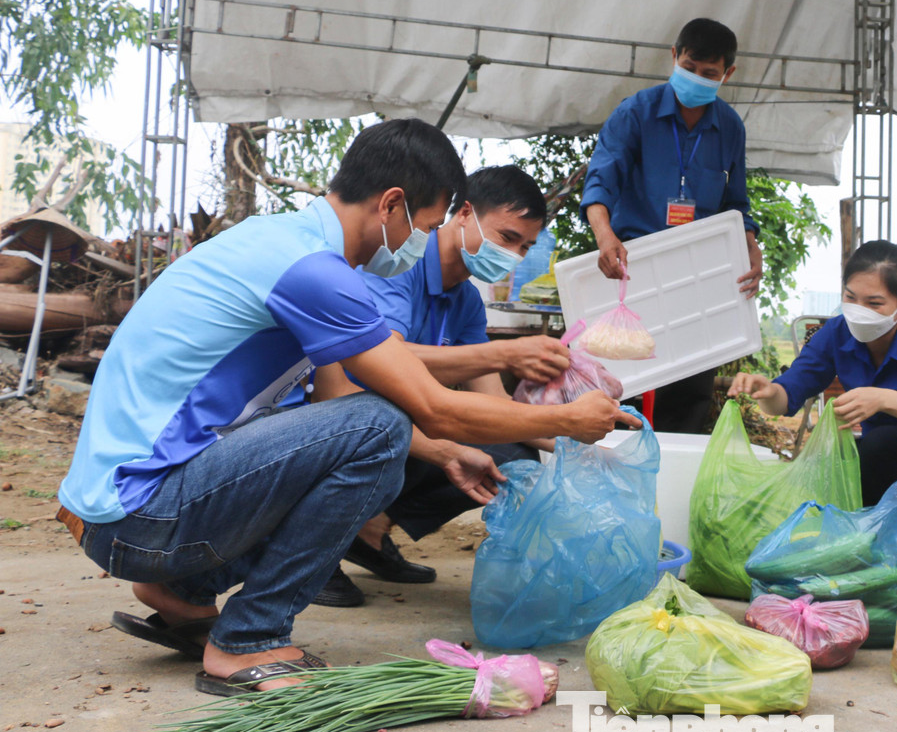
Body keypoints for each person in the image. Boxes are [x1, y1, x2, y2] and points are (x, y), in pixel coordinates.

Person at [56, 120, 635, 696]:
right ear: (391, 205)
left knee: (377, 440)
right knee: (381, 428)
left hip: (127, 505)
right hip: (139, 515)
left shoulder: (285, 241)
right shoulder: (312, 270)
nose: (421, 242)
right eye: (426, 226)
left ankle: (184, 590)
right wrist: (566, 419)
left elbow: (353, 398)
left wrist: (453, 451)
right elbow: (432, 408)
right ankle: (248, 639)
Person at [308, 164, 569, 606]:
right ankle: (313, 553)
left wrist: (574, 433)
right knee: (392, 417)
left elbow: (495, 400)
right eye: (507, 238)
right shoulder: (397, 266)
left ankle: (369, 531)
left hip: (404, 422)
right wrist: (503, 354)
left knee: (510, 453)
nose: (514, 256)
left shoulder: (466, 301)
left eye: (525, 247)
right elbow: (380, 359)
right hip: (345, 418)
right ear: (463, 213)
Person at [727, 240, 897, 586]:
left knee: (882, 441)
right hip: (881, 464)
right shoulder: (836, 334)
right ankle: (878, 548)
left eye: (874, 303)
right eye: (850, 297)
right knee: (850, 456)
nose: (859, 311)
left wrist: (885, 399)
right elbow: (786, 396)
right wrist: (766, 391)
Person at [582, 17, 762, 433]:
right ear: (674, 56)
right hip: (634, 268)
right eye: (689, 67)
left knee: (689, 392)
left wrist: (750, 245)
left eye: (709, 73)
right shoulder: (635, 113)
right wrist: (605, 237)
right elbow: (599, 184)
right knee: (622, 385)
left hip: (697, 276)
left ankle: (676, 463)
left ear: (728, 73)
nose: (696, 78)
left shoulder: (730, 127)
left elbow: (736, 204)